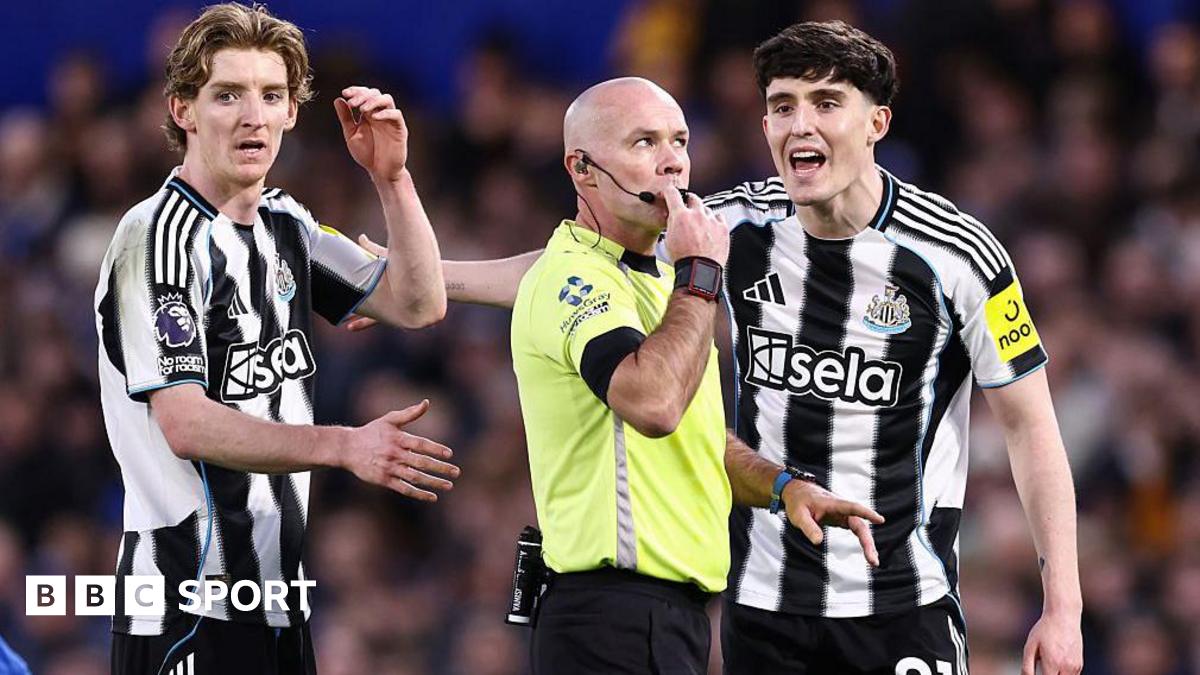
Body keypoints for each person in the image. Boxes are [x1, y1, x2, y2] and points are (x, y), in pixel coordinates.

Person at [353, 21, 1084, 675]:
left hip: (900, 603)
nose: (801, 125)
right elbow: (566, 274)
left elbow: (1030, 426)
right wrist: (414, 282)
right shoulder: (733, 225)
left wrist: (1063, 606)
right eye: (783, 105)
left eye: (827, 103)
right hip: (761, 606)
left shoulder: (958, 254)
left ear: (877, 123)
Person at [93, 5, 459, 674]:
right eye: (226, 94)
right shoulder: (155, 239)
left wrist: (392, 178)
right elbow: (185, 422)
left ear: (293, 111)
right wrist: (343, 445)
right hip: (183, 606)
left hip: (277, 601)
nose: (251, 115)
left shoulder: (286, 223)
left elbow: (419, 300)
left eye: (271, 95)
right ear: (183, 110)